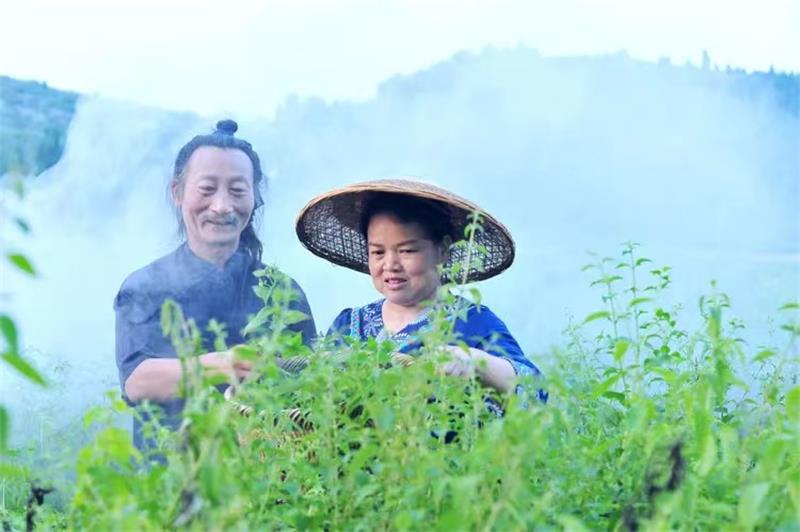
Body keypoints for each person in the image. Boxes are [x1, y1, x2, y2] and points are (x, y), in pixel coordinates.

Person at [114, 120, 316, 452]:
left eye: (237, 190)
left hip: (269, 481)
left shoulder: (282, 293)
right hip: (171, 479)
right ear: (177, 193)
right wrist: (222, 364)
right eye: (207, 189)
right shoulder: (145, 286)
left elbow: (310, 382)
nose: (222, 206)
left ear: (254, 197)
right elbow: (138, 381)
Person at [295, 178, 544, 402]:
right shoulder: (350, 324)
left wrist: (474, 362)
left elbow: (534, 389)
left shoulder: (472, 321)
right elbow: (315, 394)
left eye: (407, 251)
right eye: (378, 252)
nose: (390, 265)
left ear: (442, 251)